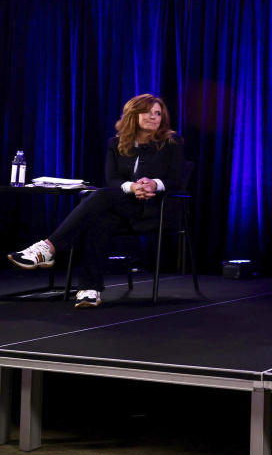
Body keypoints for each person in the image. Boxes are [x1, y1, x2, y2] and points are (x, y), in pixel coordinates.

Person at [7, 94, 185, 308]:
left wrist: (154, 184)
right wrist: (133, 186)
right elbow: (112, 179)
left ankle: (47, 248)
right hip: (124, 207)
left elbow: (177, 180)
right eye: (148, 112)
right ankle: (90, 289)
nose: (154, 117)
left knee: (99, 197)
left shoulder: (172, 142)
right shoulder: (116, 143)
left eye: (158, 113)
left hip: (157, 210)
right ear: (132, 115)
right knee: (99, 217)